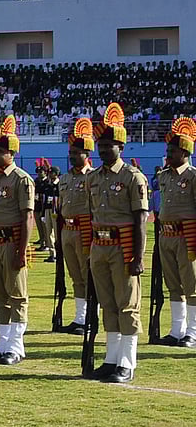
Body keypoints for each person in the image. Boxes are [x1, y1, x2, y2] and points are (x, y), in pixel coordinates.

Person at [86, 103, 147, 383]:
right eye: (100, 145)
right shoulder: (94, 178)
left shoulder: (132, 177)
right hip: (100, 246)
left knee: (127, 304)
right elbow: (91, 215)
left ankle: (127, 362)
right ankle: (111, 359)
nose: (102, 150)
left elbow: (140, 221)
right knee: (107, 304)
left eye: (108, 146)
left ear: (120, 147)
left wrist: (138, 257)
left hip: (123, 247)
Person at [0, 116, 34, 366]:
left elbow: (27, 218)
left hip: (12, 243)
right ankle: (3, 343)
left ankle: (16, 346)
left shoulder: (21, 180)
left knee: (17, 295)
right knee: (0, 295)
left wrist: (21, 250)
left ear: (11, 153)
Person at [156, 117, 196, 347]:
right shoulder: (164, 176)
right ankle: (177, 329)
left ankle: (192, 331)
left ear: (184, 152)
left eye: (172, 150)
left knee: (192, 285)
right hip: (166, 235)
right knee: (173, 284)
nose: (168, 154)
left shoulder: (192, 176)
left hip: (187, 235)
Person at [58, 118, 95, 335]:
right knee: (75, 276)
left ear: (86, 154)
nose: (72, 157)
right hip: (68, 231)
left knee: (88, 274)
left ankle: (90, 316)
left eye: (76, 153)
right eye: (70, 153)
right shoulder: (65, 178)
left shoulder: (93, 177)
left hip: (85, 231)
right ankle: (80, 317)